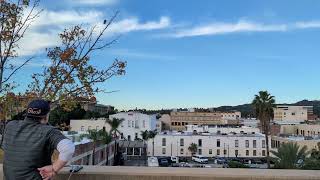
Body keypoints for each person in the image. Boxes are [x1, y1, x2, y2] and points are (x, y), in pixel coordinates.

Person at [2, 99, 75, 180]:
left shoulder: (10, 126)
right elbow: (68, 148)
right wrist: (54, 168)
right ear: (46, 116)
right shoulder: (48, 131)